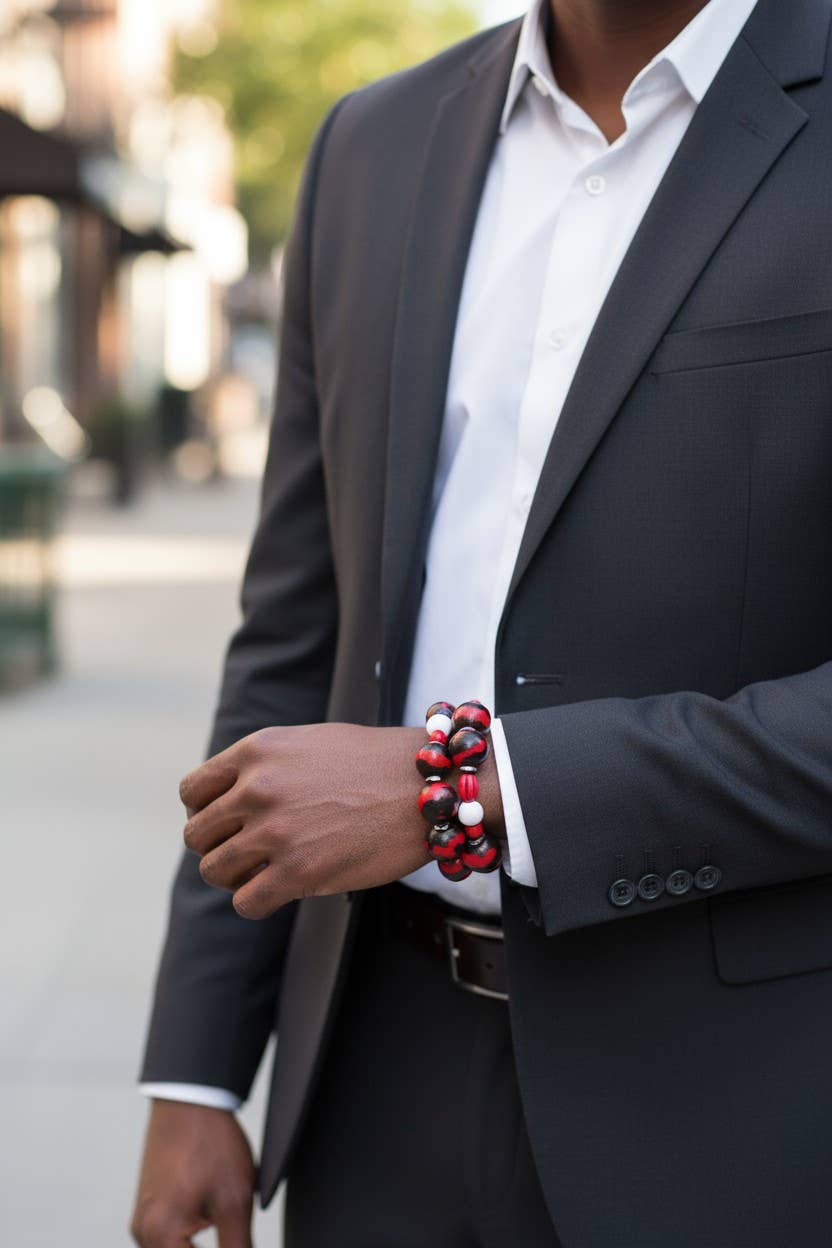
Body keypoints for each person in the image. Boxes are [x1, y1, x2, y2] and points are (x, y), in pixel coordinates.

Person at [131, 0, 832, 1243]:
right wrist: (196, 1070)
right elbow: (294, 635)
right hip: (371, 1077)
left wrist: (467, 789)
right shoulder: (371, 145)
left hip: (737, 1108)